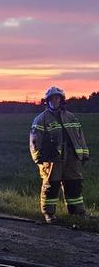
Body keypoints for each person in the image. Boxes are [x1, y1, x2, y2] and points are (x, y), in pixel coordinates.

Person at [30, 86, 90, 223]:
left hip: (72, 158)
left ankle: (78, 212)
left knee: (74, 184)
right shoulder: (41, 119)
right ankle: (49, 214)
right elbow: (34, 140)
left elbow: (80, 136)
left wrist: (84, 153)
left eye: (57, 98)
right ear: (47, 101)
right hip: (52, 159)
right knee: (51, 185)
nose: (54, 101)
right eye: (51, 99)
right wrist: (38, 156)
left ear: (61, 100)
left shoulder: (71, 117)